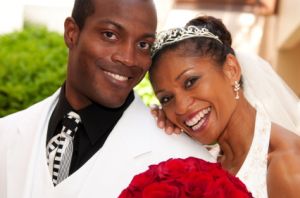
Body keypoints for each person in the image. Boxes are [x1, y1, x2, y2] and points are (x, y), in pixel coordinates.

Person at [0, 1, 214, 197]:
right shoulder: (6, 133)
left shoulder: (188, 165)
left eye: (143, 45)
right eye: (110, 35)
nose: (129, 59)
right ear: (72, 33)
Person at [149, 16, 300, 198]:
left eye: (190, 82)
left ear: (231, 70)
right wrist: (171, 139)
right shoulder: (205, 158)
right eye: (166, 98)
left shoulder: (288, 164)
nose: (180, 108)